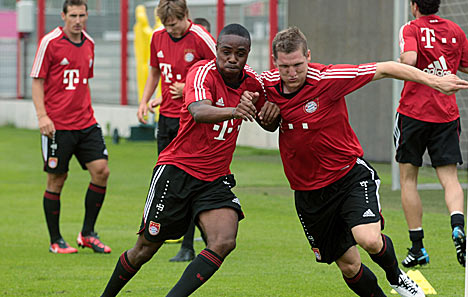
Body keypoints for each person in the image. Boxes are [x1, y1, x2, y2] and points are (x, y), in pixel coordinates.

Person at [258, 27, 468, 297]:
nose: (291, 73)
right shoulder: (263, 86)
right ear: (274, 62)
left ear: (308, 56)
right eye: (284, 66)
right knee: (349, 266)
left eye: (298, 64)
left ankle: (397, 278)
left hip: (349, 176)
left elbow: (386, 68)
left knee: (368, 238)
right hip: (308, 192)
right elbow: (240, 88)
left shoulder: (329, 78)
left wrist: (434, 81)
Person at [100, 24, 280, 297]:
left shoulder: (253, 82)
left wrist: (272, 115)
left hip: (214, 179)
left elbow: (269, 121)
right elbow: (198, 111)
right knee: (144, 250)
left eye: (240, 53)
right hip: (177, 172)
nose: (232, 58)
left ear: (248, 54)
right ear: (216, 50)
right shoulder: (200, 72)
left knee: (224, 241)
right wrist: (234, 110)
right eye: (226, 51)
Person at [136, 0, 217, 262]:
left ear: (186, 16)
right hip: (167, 118)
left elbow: (221, 75)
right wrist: (145, 99)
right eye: (167, 26)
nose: (172, 31)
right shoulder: (158, 37)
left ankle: (188, 244)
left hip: (193, 120)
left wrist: (190, 90)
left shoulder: (201, 38)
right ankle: (154, 232)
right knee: (163, 175)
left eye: (175, 25)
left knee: (190, 179)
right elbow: (155, 72)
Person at [30, 0, 111, 254]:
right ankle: (56, 240)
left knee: (101, 171)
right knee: (57, 179)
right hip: (57, 126)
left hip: (86, 122)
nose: (78, 20)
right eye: (73, 15)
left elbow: (83, 82)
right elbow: (37, 82)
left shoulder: (89, 43)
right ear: (63, 15)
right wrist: (43, 116)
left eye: (82, 15)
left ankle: (87, 234)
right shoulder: (49, 42)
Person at [395, 0, 468, 268]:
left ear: (414, 5)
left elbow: (410, 60)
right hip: (446, 114)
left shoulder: (411, 28)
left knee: (408, 179)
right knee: (449, 178)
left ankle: (418, 248)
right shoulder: (455, 30)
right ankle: (457, 223)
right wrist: (444, 66)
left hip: (414, 113)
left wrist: (401, 61)